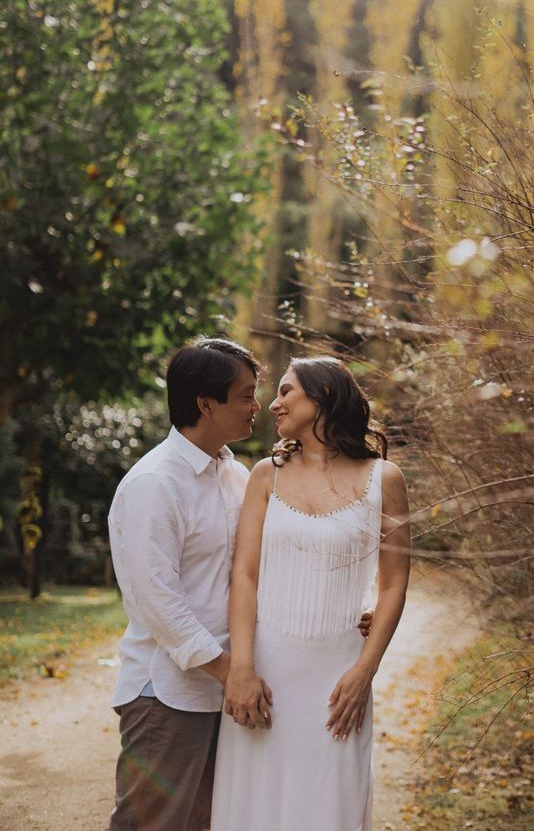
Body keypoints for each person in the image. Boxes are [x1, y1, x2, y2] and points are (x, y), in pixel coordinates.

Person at [211, 356, 411, 831]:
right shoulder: (266, 474)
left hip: (338, 677)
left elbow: (395, 583)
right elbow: (245, 575)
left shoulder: (386, 480)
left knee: (328, 808)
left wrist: (365, 671)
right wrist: (241, 669)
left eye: (286, 391)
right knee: (253, 808)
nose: (273, 403)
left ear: (322, 396)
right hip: (266, 672)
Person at [107, 336, 261, 831]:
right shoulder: (155, 483)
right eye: (245, 394)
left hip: (223, 691)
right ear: (205, 403)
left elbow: (254, 570)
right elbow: (158, 602)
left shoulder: (234, 476)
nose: (257, 406)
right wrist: (229, 672)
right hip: (167, 695)